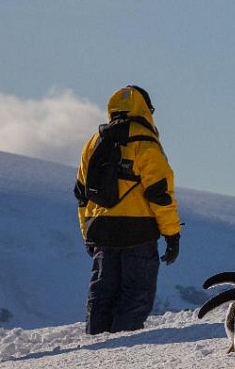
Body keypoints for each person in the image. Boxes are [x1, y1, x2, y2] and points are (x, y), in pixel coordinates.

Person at [73, 85, 181, 335]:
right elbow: (160, 194)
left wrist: (87, 233)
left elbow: (82, 193)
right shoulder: (145, 142)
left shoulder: (94, 142)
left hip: (100, 229)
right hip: (138, 231)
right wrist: (172, 234)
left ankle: (97, 343)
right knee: (135, 295)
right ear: (145, 108)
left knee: (101, 293)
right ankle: (123, 348)